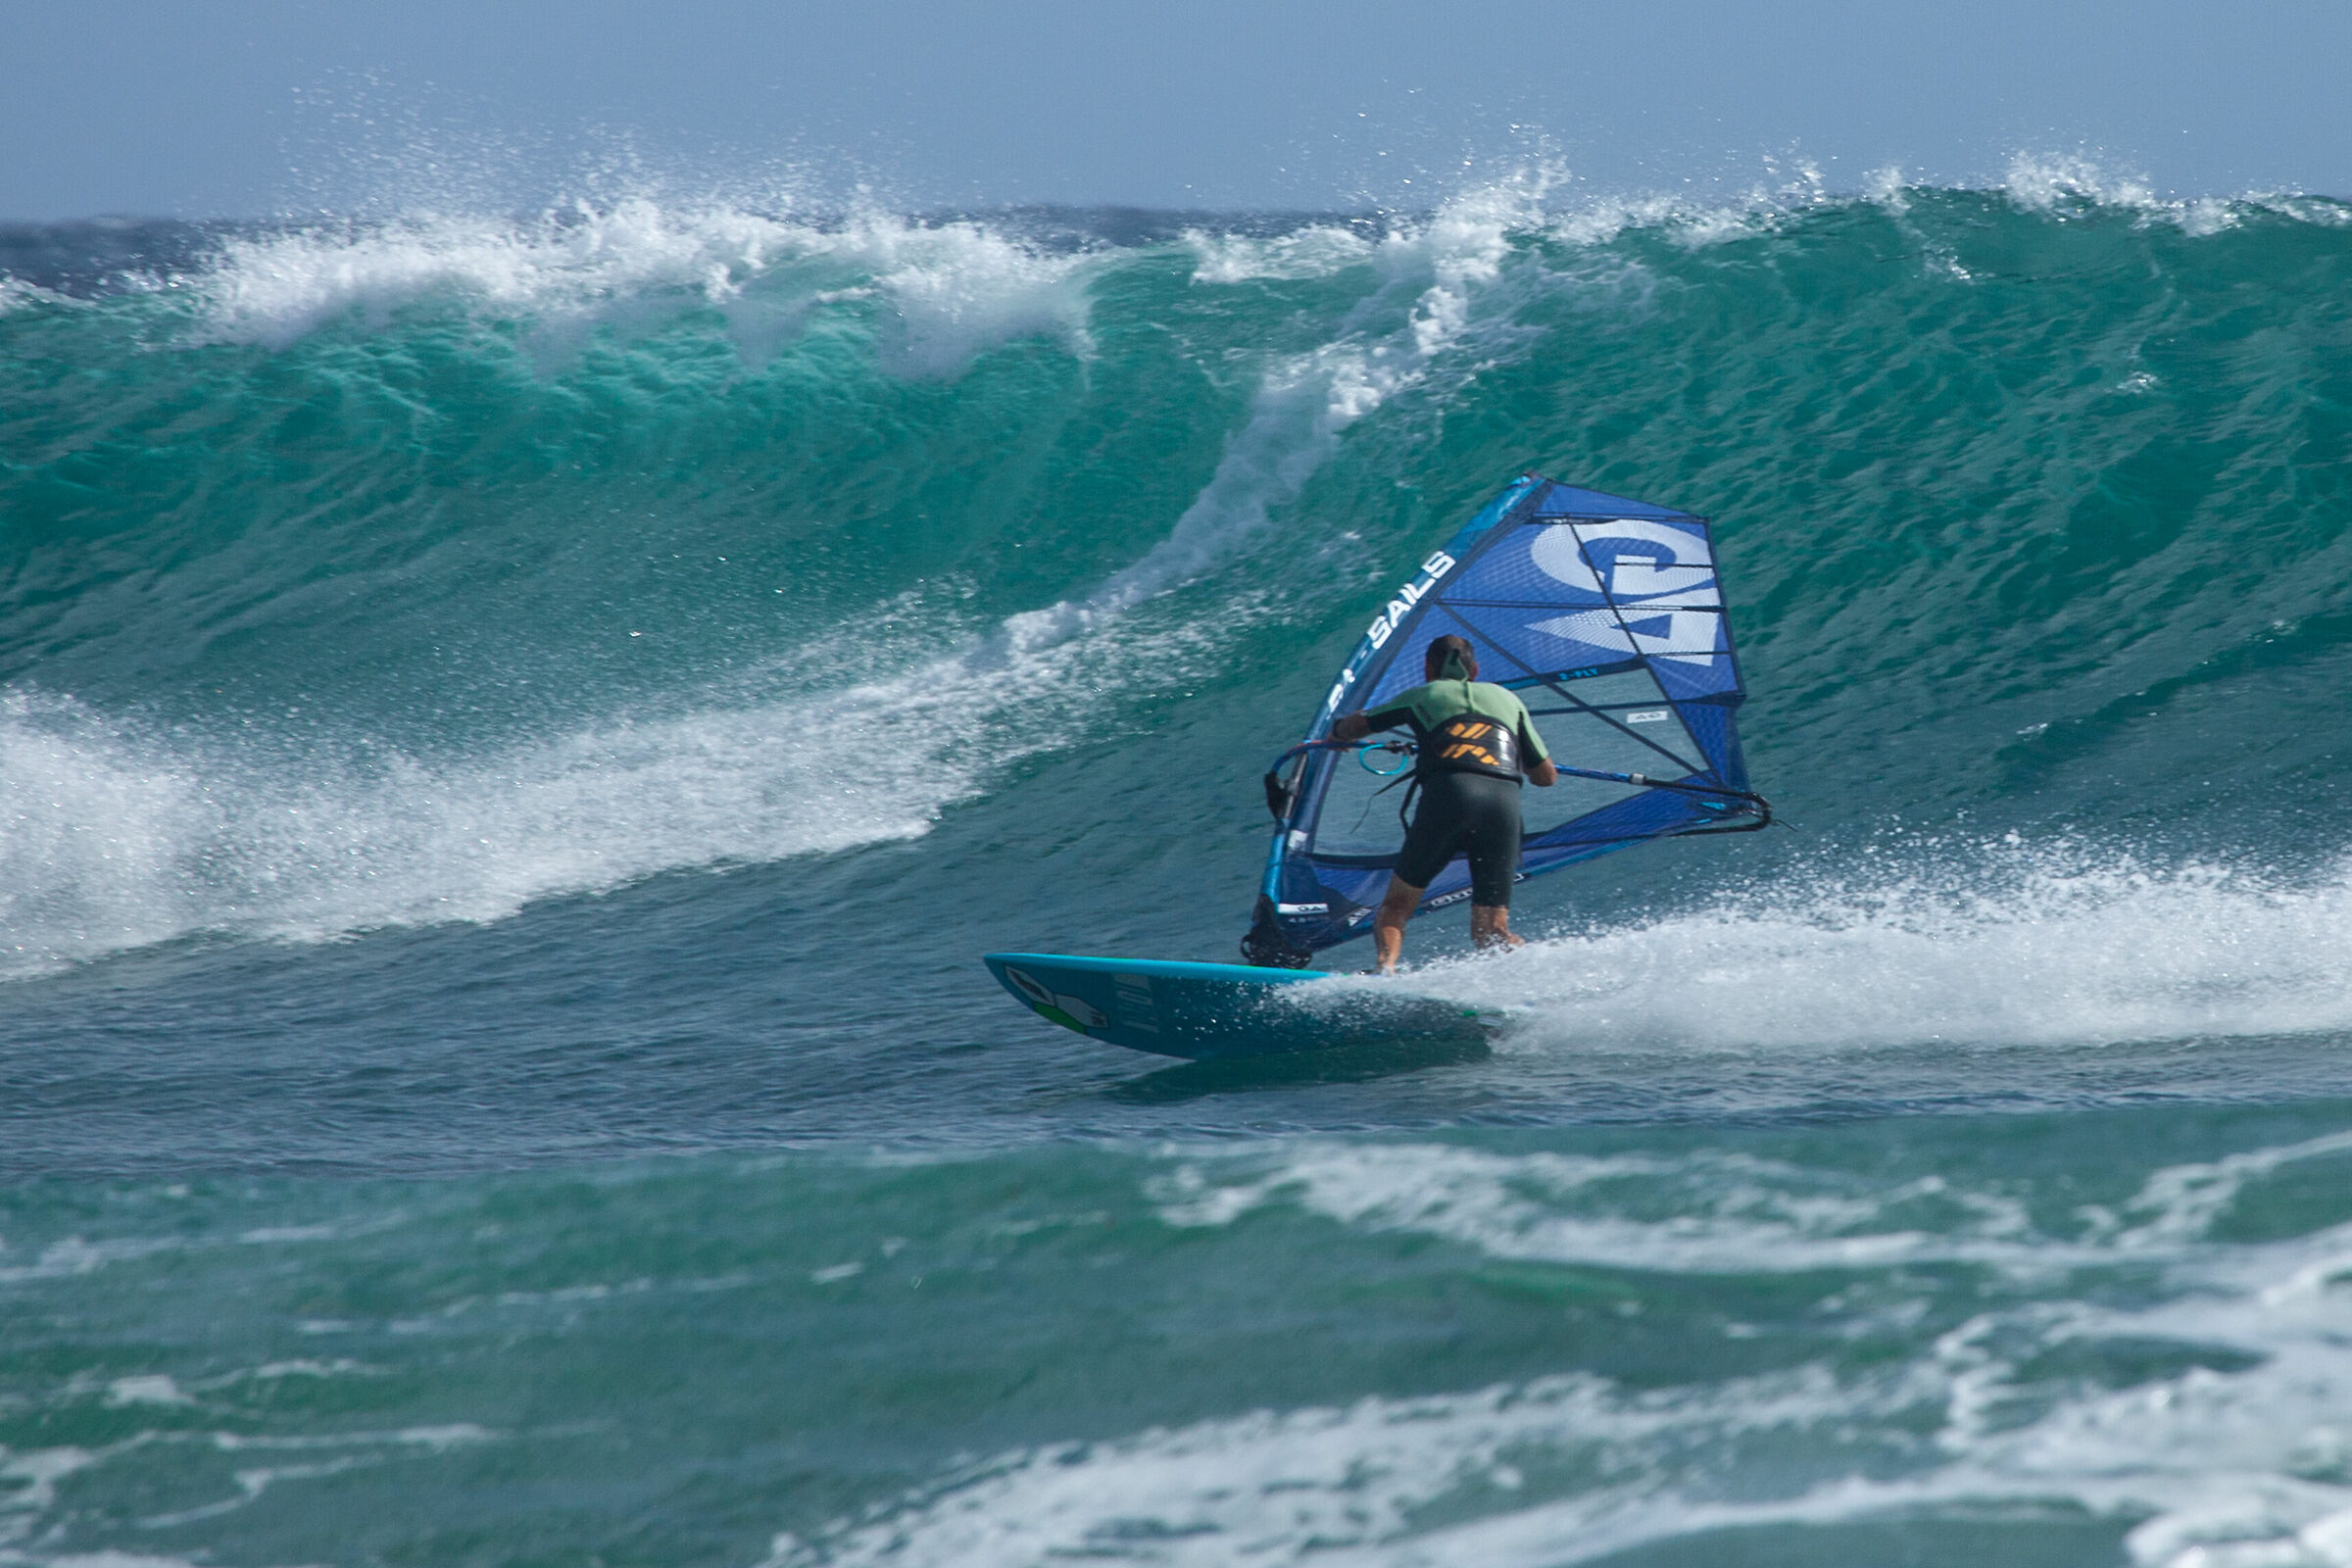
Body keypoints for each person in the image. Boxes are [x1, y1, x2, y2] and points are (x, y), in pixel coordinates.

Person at [1331, 634, 1557, 972]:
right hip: (1502, 804)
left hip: (1449, 797)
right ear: (1475, 669)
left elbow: (1355, 726)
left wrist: (1336, 735)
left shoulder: (1423, 694)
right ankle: (1540, 970)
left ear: (1427, 668)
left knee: (1396, 907)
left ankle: (1386, 969)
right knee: (1491, 931)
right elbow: (1545, 777)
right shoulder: (1507, 699)